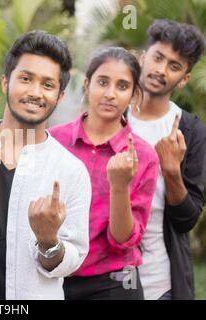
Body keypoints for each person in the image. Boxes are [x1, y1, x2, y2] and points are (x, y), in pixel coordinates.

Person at [0, 30, 92, 300]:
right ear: (5, 82)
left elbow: (73, 258)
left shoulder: (70, 170)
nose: (35, 92)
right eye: (25, 79)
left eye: (48, 85)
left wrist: (49, 241)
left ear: (59, 96)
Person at [49, 47, 159, 299]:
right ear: (87, 86)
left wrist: (119, 186)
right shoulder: (54, 141)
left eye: (122, 86)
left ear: (133, 96)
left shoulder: (144, 156)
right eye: (102, 82)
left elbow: (122, 240)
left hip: (113, 284)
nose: (110, 94)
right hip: (52, 277)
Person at [126, 19, 206, 300]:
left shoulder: (190, 130)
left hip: (161, 284)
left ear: (184, 78)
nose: (161, 70)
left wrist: (171, 171)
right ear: (143, 57)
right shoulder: (112, 116)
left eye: (174, 66)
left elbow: (188, 220)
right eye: (158, 58)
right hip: (103, 281)